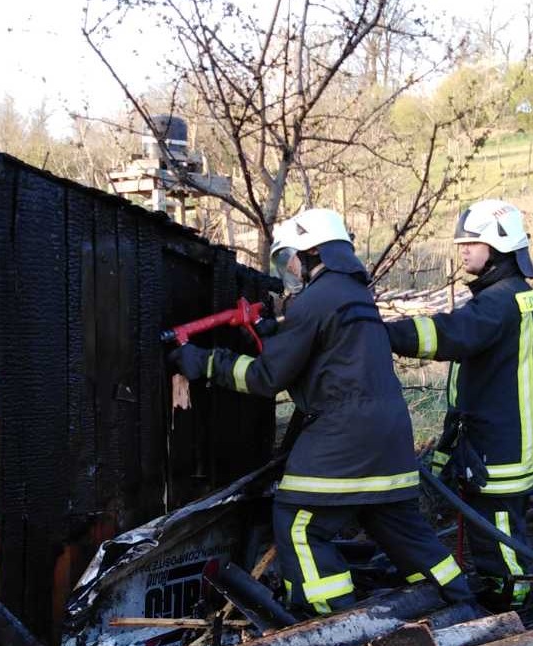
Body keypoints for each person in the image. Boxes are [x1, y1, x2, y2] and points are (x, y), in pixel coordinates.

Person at [168, 208, 472, 615]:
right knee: (402, 529)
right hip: (392, 438)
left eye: (289, 258)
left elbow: (265, 378)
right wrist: (281, 334)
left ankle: (333, 621)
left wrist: (204, 363)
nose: (288, 269)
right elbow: (334, 359)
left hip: (344, 436)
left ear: (315, 252)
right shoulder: (357, 296)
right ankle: (459, 602)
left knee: (298, 521)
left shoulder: (315, 299)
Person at [385, 199, 533, 607]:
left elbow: (453, 336)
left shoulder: (498, 302)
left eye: (471, 243)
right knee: (495, 526)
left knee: (498, 534)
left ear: (498, 245)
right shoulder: (512, 294)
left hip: (500, 443)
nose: (463, 251)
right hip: (505, 436)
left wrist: (384, 333)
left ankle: (512, 602)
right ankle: (502, 590)